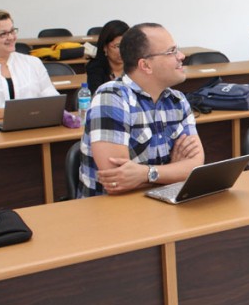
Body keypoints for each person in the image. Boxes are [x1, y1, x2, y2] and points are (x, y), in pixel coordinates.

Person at [78, 23, 204, 197]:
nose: (181, 56)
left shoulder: (178, 100)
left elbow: (195, 165)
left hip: (160, 201)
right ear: (145, 65)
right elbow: (117, 180)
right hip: (111, 209)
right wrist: (172, 171)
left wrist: (146, 174)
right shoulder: (111, 98)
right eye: (171, 51)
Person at [86, 19, 129, 93]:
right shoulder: (95, 69)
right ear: (105, 47)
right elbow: (97, 94)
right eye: (118, 46)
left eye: (127, 45)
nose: (123, 50)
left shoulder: (135, 66)